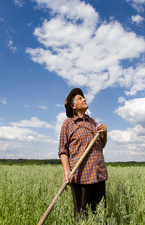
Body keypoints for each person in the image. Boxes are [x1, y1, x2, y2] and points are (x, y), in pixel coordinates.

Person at [58, 88, 108, 217]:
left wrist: (104, 133)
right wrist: (66, 171)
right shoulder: (68, 124)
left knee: (100, 215)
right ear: (73, 105)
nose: (84, 99)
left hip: (99, 174)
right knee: (82, 216)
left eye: (83, 97)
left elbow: (101, 146)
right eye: (80, 98)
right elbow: (62, 150)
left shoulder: (93, 122)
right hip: (81, 176)